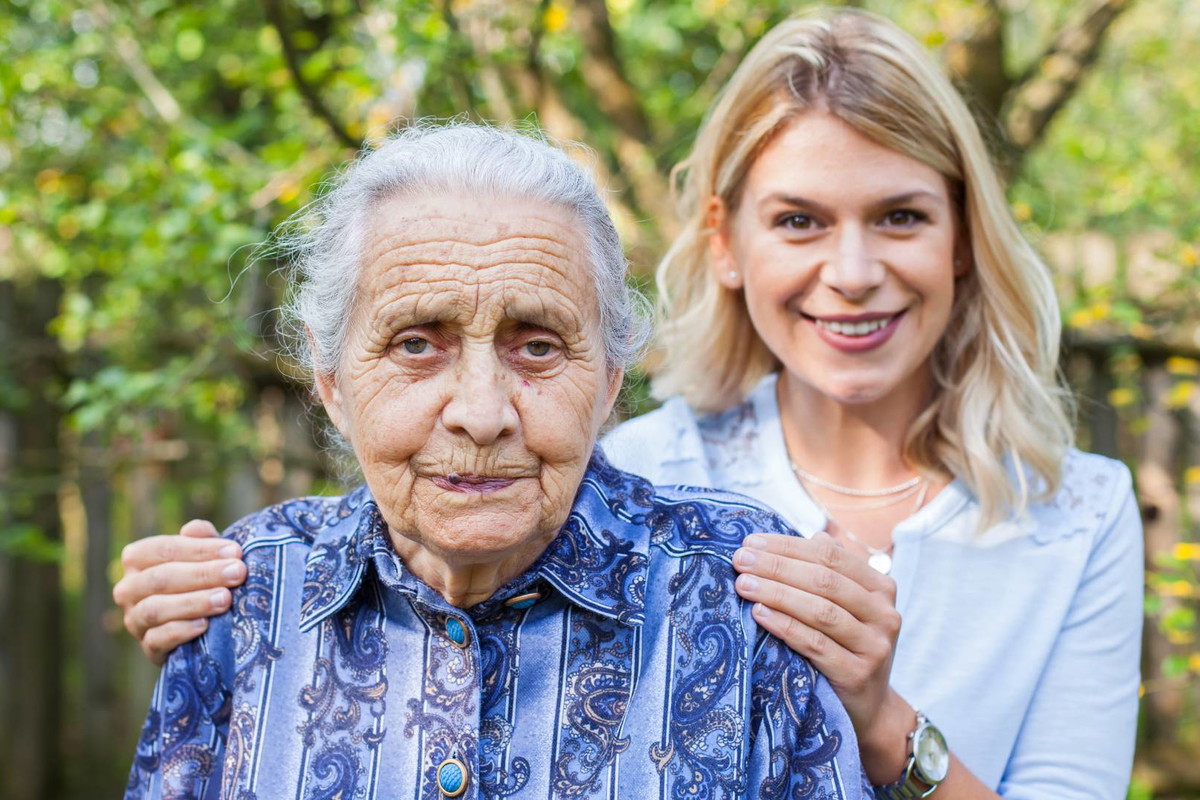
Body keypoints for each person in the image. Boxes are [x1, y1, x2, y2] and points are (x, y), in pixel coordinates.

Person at [115, 9, 1143, 800]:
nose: (854, 269)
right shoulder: (627, 460)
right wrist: (219, 613)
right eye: (798, 218)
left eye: (902, 215)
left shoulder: (1075, 512)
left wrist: (880, 715)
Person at [123, 123, 868, 800]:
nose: (481, 413)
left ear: (609, 382)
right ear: (332, 383)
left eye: (537, 346)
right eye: (416, 343)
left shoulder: (743, 592)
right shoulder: (244, 596)